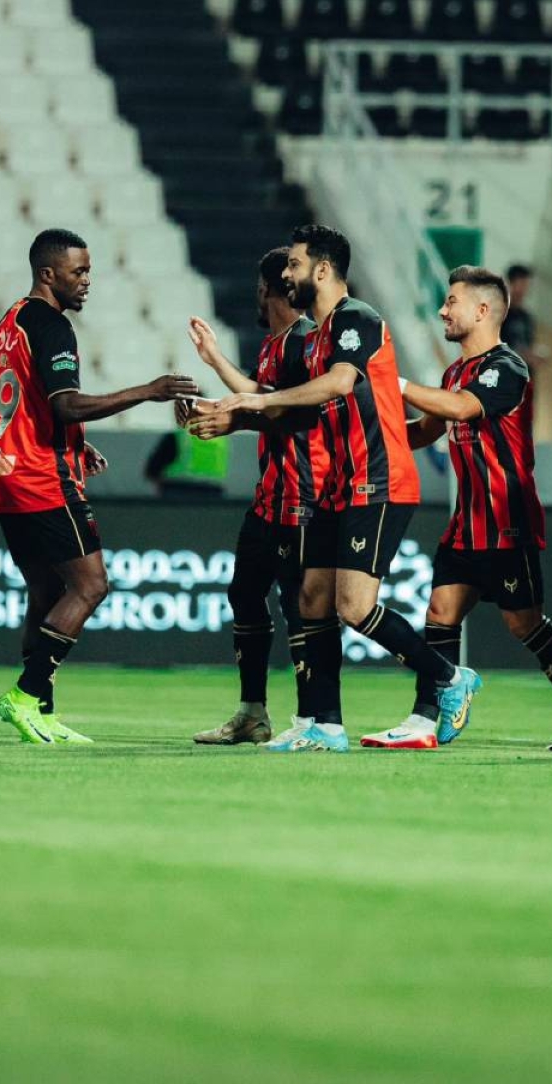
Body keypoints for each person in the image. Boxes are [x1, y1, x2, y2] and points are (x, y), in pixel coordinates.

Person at [222, 224, 481, 752]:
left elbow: (341, 382)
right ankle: (326, 725)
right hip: (338, 486)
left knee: (355, 606)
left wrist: (257, 402)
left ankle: (450, 678)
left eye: (294, 264)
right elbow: (297, 407)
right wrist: (234, 409)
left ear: (322, 270)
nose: (286, 274)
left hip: (378, 482)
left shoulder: (356, 319)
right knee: (312, 599)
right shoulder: (318, 337)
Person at [363, 266, 552, 751]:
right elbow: (427, 429)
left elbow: (461, 409)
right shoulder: (454, 374)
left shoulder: (507, 368)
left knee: (525, 624)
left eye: (451, 301)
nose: (442, 311)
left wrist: (394, 383)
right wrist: (371, 437)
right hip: (466, 524)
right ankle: (423, 720)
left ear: (481, 310)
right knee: (440, 612)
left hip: (506, 522)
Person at [0, 228, 199, 744]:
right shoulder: (53, 325)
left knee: (45, 590)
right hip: (42, 478)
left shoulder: (10, 322)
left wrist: (76, 445)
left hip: (6, 474)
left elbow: (3, 402)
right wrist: (147, 391)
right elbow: (64, 405)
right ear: (48, 273)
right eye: (78, 271)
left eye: (89, 271)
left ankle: (40, 710)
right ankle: (24, 695)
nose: (87, 281)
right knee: (90, 585)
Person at [183, 247, 328, 747]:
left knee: (299, 606)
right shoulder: (275, 345)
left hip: (303, 496)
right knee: (244, 594)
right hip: (270, 497)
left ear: (269, 288)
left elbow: (299, 413)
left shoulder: (307, 342)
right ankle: (252, 713)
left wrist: (234, 418)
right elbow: (260, 398)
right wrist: (216, 377)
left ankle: (312, 720)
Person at [143, 424, 229, 500]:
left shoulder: (179, 437)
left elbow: (152, 471)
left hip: (178, 493)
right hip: (212, 495)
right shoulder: (220, 440)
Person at [500, 264, 549, 378]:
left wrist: (535, 355)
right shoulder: (497, 314)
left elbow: (528, 345)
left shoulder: (527, 318)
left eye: (527, 284)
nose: (525, 288)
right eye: (522, 283)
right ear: (510, 283)